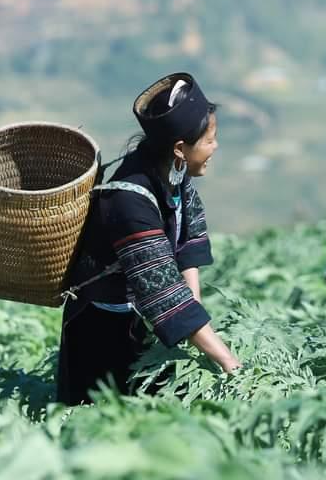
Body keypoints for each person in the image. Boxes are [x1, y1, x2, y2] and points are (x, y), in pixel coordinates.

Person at [56, 72, 241, 404]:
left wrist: (193, 306)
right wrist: (228, 361)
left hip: (141, 322)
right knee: (103, 427)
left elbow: (189, 235)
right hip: (102, 331)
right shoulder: (128, 201)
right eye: (210, 140)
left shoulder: (174, 172)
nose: (216, 147)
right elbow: (164, 293)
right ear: (180, 148)